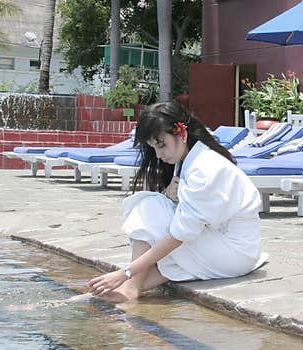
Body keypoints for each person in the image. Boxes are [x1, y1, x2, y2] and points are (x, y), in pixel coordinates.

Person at [88, 101, 265, 302]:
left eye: (161, 144)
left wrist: (125, 272)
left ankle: (130, 286)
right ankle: (127, 289)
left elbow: (180, 235)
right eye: (153, 147)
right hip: (227, 247)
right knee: (156, 212)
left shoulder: (204, 169)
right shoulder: (190, 160)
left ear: (182, 134)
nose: (158, 154)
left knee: (149, 206)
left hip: (233, 253)